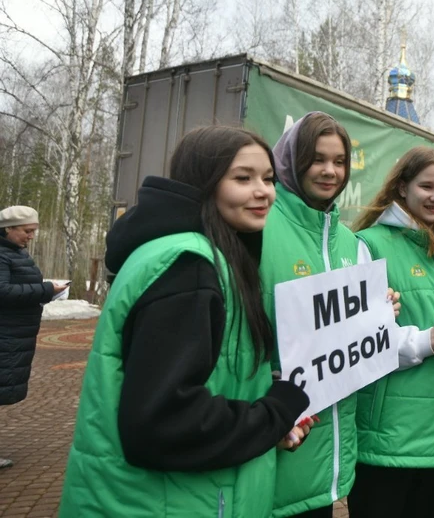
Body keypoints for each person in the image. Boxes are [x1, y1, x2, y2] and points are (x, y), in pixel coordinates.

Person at [60, 126, 312, 517]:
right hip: (166, 503)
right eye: (242, 178)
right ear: (204, 183)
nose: (263, 191)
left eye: (268, 178)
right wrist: (275, 412)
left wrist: (267, 429)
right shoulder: (190, 268)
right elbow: (163, 422)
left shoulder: (194, 254)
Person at [261, 112, 398, 518]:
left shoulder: (351, 244)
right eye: (317, 159)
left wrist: (377, 312)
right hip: (277, 441)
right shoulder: (260, 228)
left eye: (339, 162)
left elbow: (354, 339)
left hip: (328, 457)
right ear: (291, 160)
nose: (329, 171)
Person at [348, 146, 434, 518]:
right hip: (389, 439)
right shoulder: (371, 245)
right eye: (427, 186)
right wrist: (426, 340)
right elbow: (359, 341)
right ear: (402, 188)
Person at [0, 205, 67, 468]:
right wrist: (45, 289)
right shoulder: (3, 255)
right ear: (8, 229)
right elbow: (3, 291)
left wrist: (46, 290)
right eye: (27, 231)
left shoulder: (13, 252)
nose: (31, 236)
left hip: (12, 335)